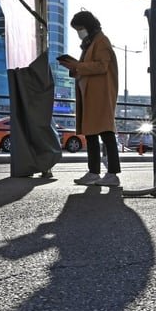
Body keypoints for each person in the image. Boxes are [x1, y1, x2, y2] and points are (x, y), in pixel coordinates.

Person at [59, 11, 121, 187]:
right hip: (91, 93)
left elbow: (102, 66)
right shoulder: (91, 42)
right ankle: (94, 172)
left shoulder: (101, 41)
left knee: (106, 132)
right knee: (92, 133)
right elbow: (91, 66)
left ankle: (112, 173)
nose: (79, 32)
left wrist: (77, 66)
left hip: (100, 93)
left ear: (88, 26)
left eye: (80, 28)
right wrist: (74, 67)